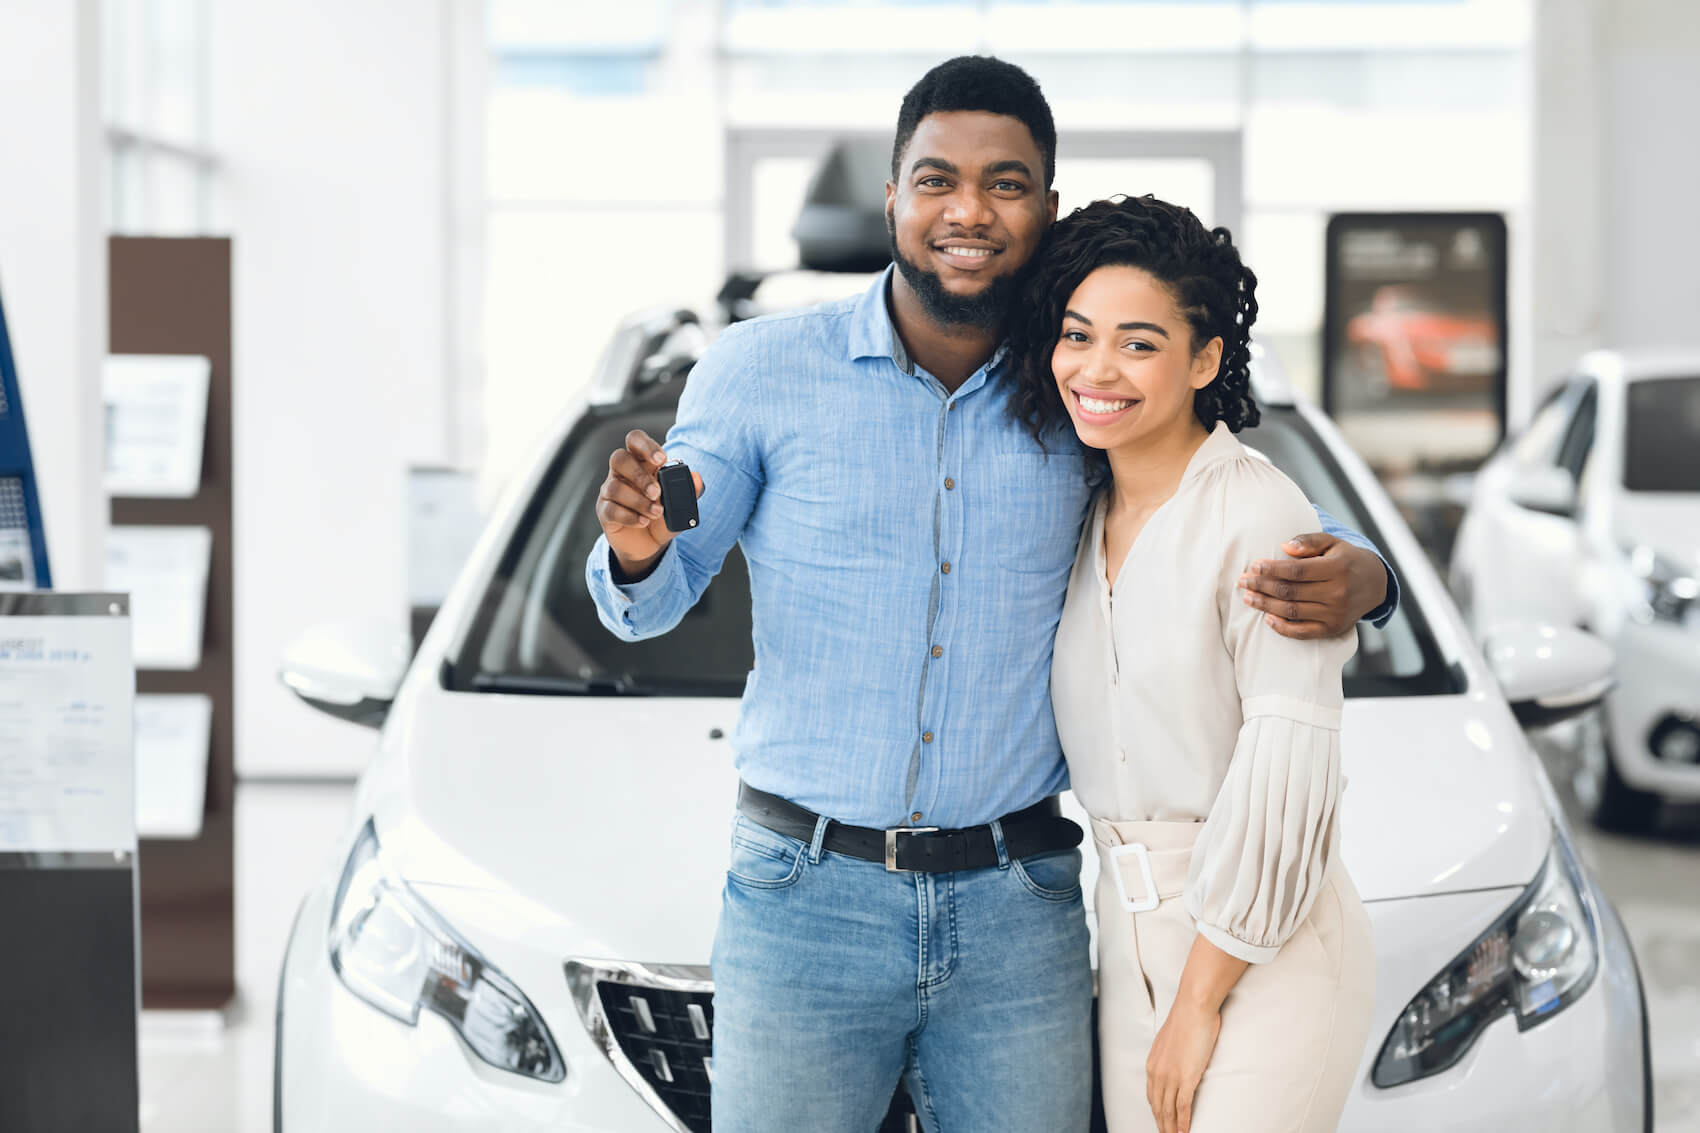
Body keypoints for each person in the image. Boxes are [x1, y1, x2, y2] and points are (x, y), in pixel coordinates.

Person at [585, 56, 1395, 1133]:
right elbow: (654, 592)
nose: (967, 210)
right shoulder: (758, 371)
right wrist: (638, 552)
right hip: (804, 900)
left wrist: (1365, 571)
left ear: (1046, 208)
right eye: (936, 180)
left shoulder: (1078, 381)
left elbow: (1218, 490)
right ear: (893, 197)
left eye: (1004, 184)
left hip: (1019, 907)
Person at [1012, 194, 1375, 1133]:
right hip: (1124, 934)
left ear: (1205, 359)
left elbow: (1287, 769)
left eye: (1138, 344)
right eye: (1077, 335)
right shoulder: (1083, 511)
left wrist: (1199, 999)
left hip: (1260, 947)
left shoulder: (1257, 513)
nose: (1097, 369)